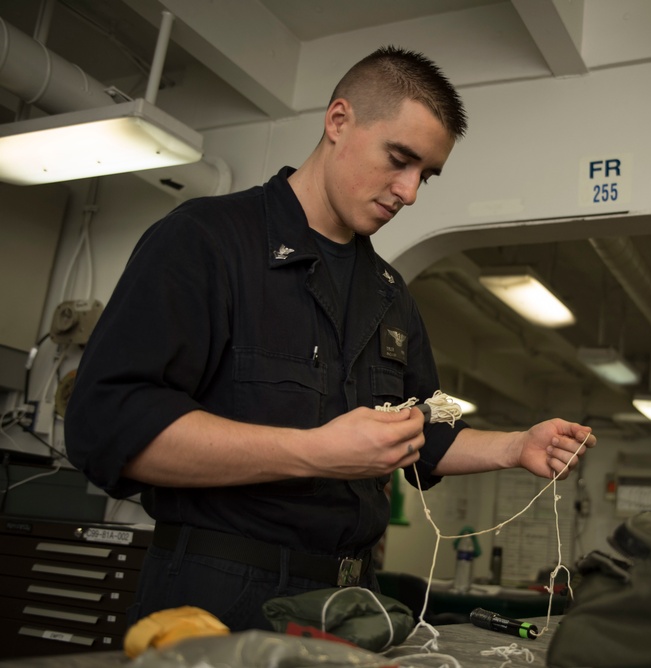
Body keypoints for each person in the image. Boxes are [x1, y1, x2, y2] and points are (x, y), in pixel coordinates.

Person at [64, 45, 595, 632]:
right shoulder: (206, 241)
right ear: (338, 121)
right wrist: (316, 450)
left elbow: (425, 432)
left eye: (426, 175)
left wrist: (516, 445)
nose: (410, 191)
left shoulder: (391, 294)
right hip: (220, 593)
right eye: (399, 159)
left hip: (351, 602)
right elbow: (107, 427)